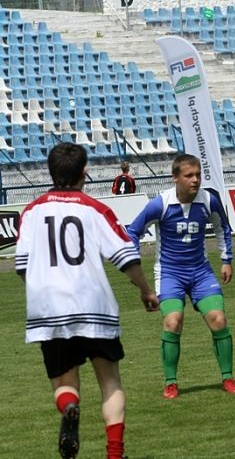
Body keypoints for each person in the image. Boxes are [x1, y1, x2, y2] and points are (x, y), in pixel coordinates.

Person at [15, 142, 159, 459]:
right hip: (94, 305)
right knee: (109, 381)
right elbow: (125, 257)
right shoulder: (95, 209)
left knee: (64, 382)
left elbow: (22, 266)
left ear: (51, 172)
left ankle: (69, 407)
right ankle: (114, 453)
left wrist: (43, 291)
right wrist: (146, 290)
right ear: (84, 172)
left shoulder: (32, 212)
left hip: (49, 310)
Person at [127, 154, 235, 399]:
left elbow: (223, 227)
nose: (195, 180)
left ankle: (228, 378)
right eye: (189, 175)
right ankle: (171, 382)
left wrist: (226, 260)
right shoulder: (160, 204)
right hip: (170, 273)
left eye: (198, 175)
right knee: (173, 322)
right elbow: (133, 232)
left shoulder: (209, 200)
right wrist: (133, 263)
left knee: (219, 319)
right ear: (175, 178)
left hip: (201, 272)